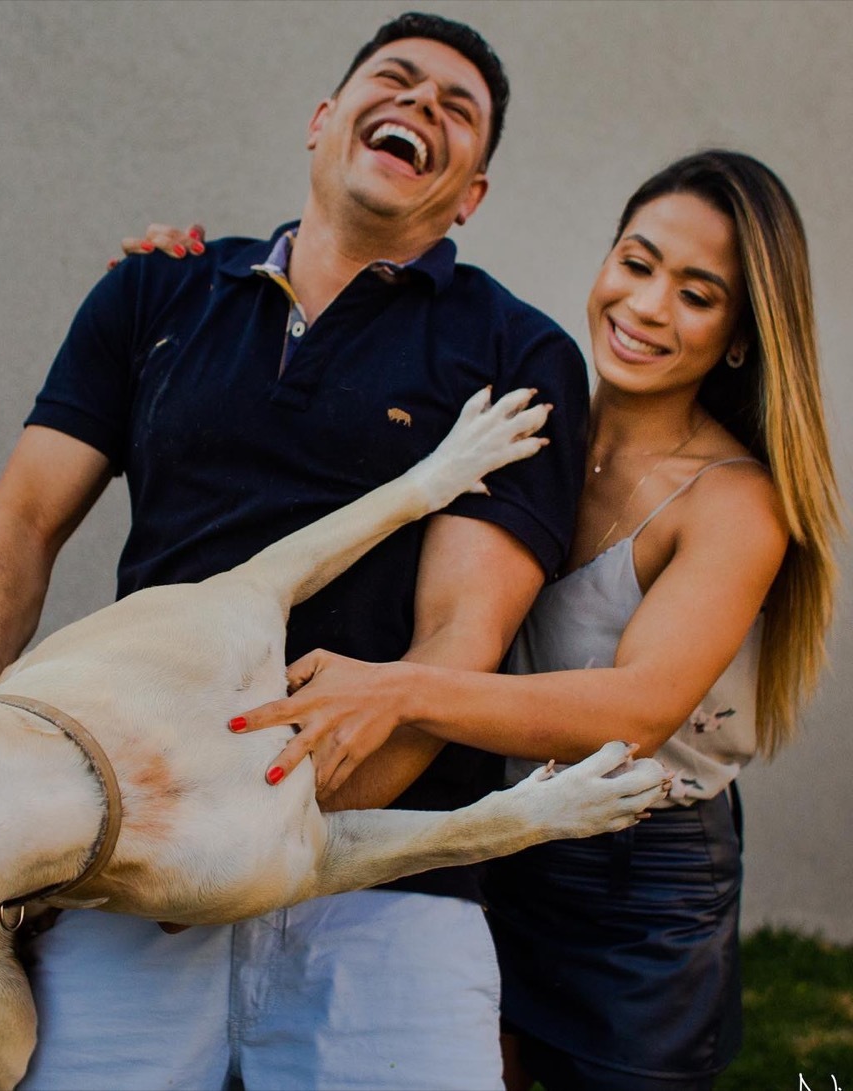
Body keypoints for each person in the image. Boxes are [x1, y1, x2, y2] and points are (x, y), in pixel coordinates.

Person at [0, 12, 591, 1090]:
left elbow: (456, 639)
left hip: (384, 887)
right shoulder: (155, 290)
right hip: (131, 858)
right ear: (324, 119)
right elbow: (21, 516)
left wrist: (239, 837)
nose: (420, 105)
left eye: (456, 109)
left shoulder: (517, 350)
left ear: (470, 194)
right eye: (396, 79)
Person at [227, 150, 841, 1090]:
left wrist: (397, 690)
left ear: (740, 337)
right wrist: (191, 274)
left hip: (637, 882)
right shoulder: (530, 432)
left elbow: (639, 709)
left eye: (696, 294)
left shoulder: (735, 503)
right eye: (636, 263)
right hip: (496, 838)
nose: (647, 306)